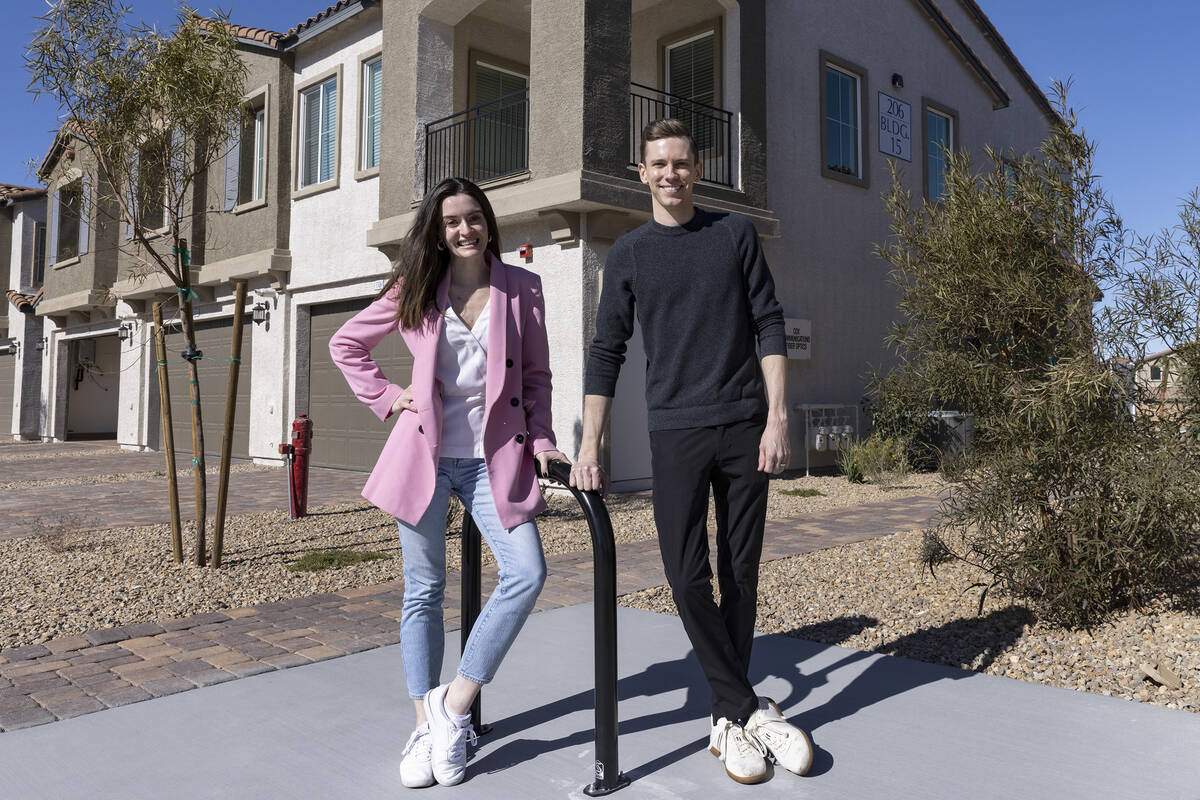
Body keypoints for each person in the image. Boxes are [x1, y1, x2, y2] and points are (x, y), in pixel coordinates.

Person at [570, 119, 813, 784]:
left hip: (744, 424)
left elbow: (768, 319)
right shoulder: (629, 253)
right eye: (659, 163)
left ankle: (725, 722)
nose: (671, 173)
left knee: (740, 574)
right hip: (674, 431)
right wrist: (589, 443)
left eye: (681, 162)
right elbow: (605, 351)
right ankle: (744, 708)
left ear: (696, 168)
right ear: (641, 172)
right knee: (684, 577)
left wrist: (778, 418)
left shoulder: (733, 234)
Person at [329, 177, 565, 788]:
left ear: (489, 223)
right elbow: (346, 343)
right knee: (423, 591)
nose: (465, 230)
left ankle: (452, 705)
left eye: (474, 218)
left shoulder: (522, 288)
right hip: (426, 457)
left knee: (527, 571)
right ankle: (422, 724)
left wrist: (541, 441)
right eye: (452, 221)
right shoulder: (414, 290)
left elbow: (535, 378)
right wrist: (389, 397)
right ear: (438, 230)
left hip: (495, 461)